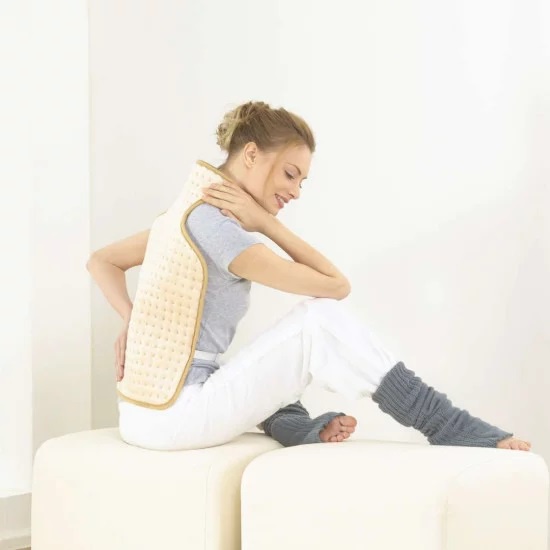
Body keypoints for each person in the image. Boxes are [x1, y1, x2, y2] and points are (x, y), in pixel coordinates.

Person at [87, 100, 531, 453]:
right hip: (174, 419)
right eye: (290, 174)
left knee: (265, 352)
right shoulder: (217, 227)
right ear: (251, 154)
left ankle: (291, 425)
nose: (295, 191)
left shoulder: (186, 215)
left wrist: (132, 319)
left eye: (302, 181)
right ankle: (446, 424)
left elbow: (101, 261)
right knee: (319, 323)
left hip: (143, 415)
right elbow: (336, 286)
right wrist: (267, 224)